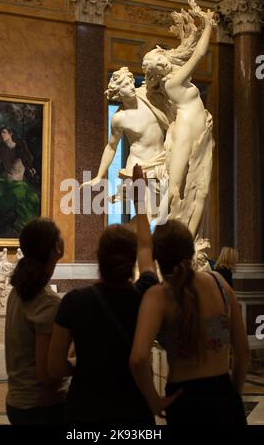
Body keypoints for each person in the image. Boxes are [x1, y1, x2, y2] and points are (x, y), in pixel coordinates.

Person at [48, 165, 180, 423]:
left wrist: (80, 366)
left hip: (85, 410)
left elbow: (54, 368)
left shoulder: (75, 302)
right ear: (131, 260)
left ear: (98, 258)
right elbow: (145, 245)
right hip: (133, 411)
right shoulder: (146, 294)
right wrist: (139, 195)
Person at [130, 218, 250, 424]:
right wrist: (234, 393)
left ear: (157, 256)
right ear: (191, 250)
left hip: (185, 402)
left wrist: (153, 401)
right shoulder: (219, 283)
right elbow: (242, 351)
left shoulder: (157, 296)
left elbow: (139, 358)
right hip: (224, 396)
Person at [142, 0, 215, 237]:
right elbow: (199, 53)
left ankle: (190, 241)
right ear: (157, 71)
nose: (162, 62)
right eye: (157, 64)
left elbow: (187, 52)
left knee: (202, 190)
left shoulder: (175, 77)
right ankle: (157, 236)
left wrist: (194, 30)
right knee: (173, 188)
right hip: (185, 131)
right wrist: (208, 25)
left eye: (160, 56)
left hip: (201, 130)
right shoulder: (172, 82)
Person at [82, 67, 175, 224]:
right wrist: (99, 175)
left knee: (167, 214)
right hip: (139, 168)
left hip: (162, 162)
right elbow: (111, 146)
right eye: (125, 85)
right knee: (148, 215)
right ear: (118, 92)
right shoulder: (120, 118)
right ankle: (146, 246)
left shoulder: (148, 95)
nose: (131, 86)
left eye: (131, 82)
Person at [5, 217, 71, 425]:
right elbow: (47, 374)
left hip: (17, 402)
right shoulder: (47, 302)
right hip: (41, 408)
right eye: (60, 236)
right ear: (55, 249)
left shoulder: (17, 291)